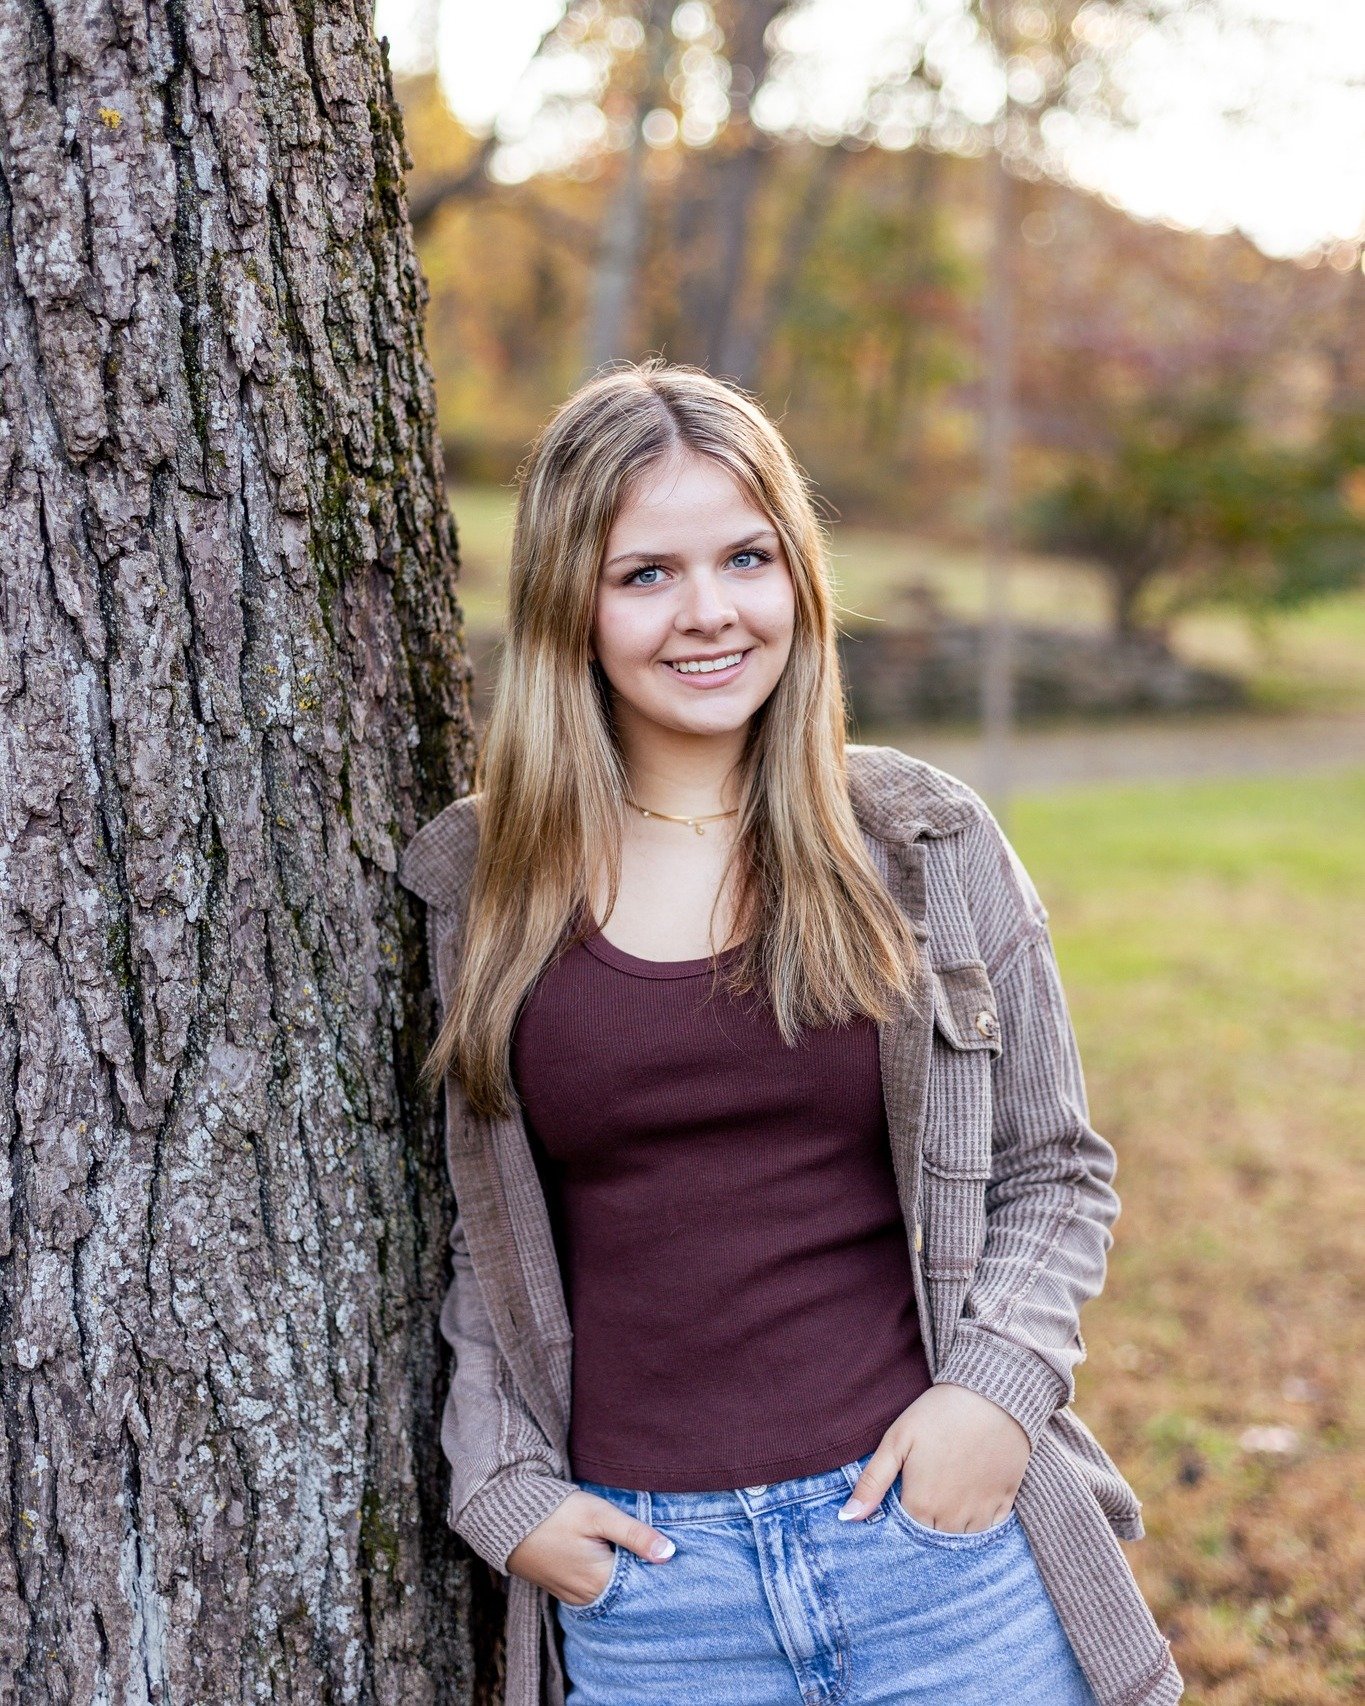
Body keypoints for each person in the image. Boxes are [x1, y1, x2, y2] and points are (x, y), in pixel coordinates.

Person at [398, 359, 1183, 1706]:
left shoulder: (919, 842)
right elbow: (475, 1237)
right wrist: (500, 1485)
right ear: (565, 605)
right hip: (654, 1594)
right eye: (645, 573)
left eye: (745, 557)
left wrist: (991, 1397)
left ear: (797, 576)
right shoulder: (478, 886)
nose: (708, 613)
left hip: (940, 1553)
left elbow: (1054, 1166)